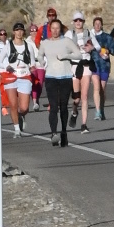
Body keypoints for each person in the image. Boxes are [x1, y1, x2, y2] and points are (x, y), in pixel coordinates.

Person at [37, 8, 79, 147]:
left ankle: (64, 132)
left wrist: (66, 56)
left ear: (60, 29)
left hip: (65, 77)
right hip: (51, 77)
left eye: (57, 28)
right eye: (53, 28)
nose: (55, 31)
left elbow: (78, 54)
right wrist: (42, 62)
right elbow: (39, 55)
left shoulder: (67, 41)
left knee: (63, 106)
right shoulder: (45, 43)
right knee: (53, 106)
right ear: (50, 29)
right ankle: (54, 133)